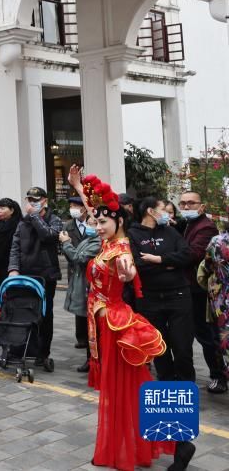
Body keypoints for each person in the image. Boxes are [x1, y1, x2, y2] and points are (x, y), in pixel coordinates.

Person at [66, 167, 191, 471]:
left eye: (102, 221)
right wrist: (78, 187)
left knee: (132, 388)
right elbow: (100, 211)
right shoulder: (108, 239)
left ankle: (178, 442)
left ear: (119, 220)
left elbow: (129, 269)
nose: (96, 226)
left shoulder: (121, 248)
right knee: (127, 388)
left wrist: (129, 274)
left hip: (116, 324)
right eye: (94, 220)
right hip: (105, 324)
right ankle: (168, 442)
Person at [128, 196, 195, 383]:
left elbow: (187, 255)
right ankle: (166, 385)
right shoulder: (132, 234)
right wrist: (171, 262)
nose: (167, 214)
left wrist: (159, 260)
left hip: (179, 295)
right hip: (149, 298)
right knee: (158, 346)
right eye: (163, 209)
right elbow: (138, 264)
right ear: (151, 211)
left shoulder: (170, 231)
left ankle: (186, 388)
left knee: (182, 348)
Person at [7, 186, 63, 372]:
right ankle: (22, 348)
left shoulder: (54, 219)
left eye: (36, 200)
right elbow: (15, 247)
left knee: (45, 314)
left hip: (46, 276)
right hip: (25, 275)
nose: (32, 203)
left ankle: (43, 352)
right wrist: (13, 269)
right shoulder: (22, 223)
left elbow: (49, 235)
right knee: (24, 311)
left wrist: (35, 217)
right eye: (29, 200)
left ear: (45, 201)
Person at [179, 190, 227, 394]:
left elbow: (197, 258)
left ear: (202, 206)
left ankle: (219, 375)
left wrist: (166, 259)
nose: (186, 207)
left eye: (191, 203)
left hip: (208, 295)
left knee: (209, 336)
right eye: (183, 203)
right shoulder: (191, 225)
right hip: (205, 292)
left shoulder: (208, 230)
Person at [60, 214, 100, 372]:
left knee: (93, 327)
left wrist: (67, 243)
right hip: (81, 286)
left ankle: (93, 360)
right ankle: (90, 359)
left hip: (90, 288)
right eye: (89, 223)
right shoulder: (88, 240)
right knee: (89, 325)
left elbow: (79, 258)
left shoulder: (98, 242)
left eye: (95, 223)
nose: (91, 227)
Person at [197, 233, 229, 387]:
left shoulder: (217, 241)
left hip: (223, 300)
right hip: (222, 300)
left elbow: (208, 266)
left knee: (223, 341)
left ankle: (222, 377)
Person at [63, 196, 89, 349]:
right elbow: (66, 250)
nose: (72, 208)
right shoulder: (68, 226)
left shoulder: (93, 224)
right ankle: (81, 337)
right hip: (75, 268)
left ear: (84, 208)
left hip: (90, 266)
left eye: (75, 205)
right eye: (71, 205)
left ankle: (92, 334)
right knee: (79, 301)